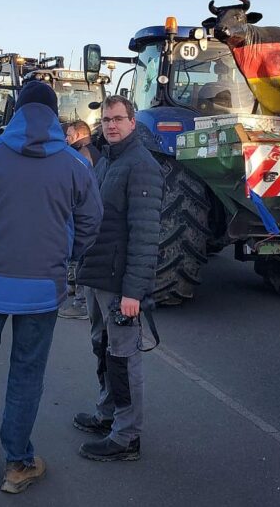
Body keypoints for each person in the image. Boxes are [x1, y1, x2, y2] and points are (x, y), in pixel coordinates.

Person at [0, 80, 102, 493]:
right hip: (42, 290)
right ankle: (17, 465)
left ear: (16, 110)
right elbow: (90, 224)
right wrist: (64, 258)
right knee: (26, 375)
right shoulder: (75, 163)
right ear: (53, 113)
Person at [74, 94, 163, 462]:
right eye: (106, 119)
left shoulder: (140, 165)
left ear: (132, 122)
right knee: (104, 349)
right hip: (98, 276)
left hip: (119, 285)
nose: (110, 125)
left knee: (124, 358)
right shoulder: (106, 161)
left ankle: (126, 437)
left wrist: (133, 292)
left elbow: (144, 234)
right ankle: (107, 413)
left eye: (117, 119)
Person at [59, 120, 102, 320]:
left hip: (83, 217)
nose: (65, 139)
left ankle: (81, 303)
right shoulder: (92, 152)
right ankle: (75, 290)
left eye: (68, 135)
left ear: (78, 135)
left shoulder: (80, 156)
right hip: (89, 216)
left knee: (81, 260)